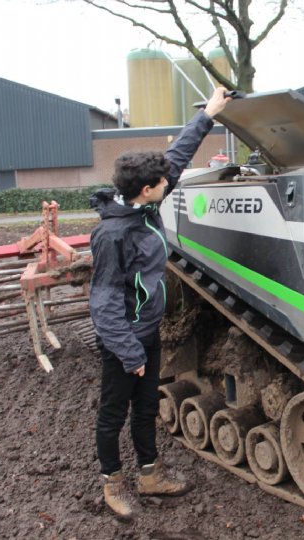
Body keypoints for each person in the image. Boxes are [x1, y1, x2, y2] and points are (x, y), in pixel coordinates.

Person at [88, 87, 231, 520]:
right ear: (147, 190)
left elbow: (179, 156)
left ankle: (150, 474)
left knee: (148, 407)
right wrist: (129, 352)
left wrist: (209, 113)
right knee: (114, 413)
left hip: (146, 334)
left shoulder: (144, 206)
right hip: (122, 343)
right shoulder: (113, 235)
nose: (171, 182)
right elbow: (104, 302)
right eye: (164, 183)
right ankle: (113, 484)